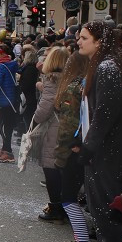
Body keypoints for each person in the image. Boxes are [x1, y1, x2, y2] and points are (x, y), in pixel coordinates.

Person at [71, 21, 122, 242]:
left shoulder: (108, 68)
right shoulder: (109, 65)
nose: (79, 42)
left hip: (107, 151)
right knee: (99, 207)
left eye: (84, 37)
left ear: (100, 41)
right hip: (106, 148)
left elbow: (104, 114)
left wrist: (89, 146)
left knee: (105, 207)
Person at [51, 52, 95, 242]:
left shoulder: (74, 88)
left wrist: (63, 149)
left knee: (68, 198)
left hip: (73, 149)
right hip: (84, 146)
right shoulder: (87, 85)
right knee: (71, 197)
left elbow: (69, 124)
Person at [31, 46, 70, 223]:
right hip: (67, 126)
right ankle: (64, 206)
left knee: (51, 168)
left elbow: (43, 109)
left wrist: (35, 120)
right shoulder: (69, 78)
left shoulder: (52, 79)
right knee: (62, 169)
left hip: (53, 128)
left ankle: (56, 207)